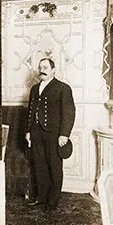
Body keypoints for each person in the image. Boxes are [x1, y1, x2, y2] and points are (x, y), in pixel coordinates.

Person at [24, 58, 76, 211]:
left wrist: (64, 134)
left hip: (54, 134)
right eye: (40, 67)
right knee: (40, 166)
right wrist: (28, 131)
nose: (42, 70)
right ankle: (41, 197)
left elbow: (69, 113)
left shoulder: (63, 88)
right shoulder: (34, 89)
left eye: (46, 67)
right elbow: (31, 111)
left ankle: (52, 201)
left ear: (53, 70)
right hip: (36, 133)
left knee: (54, 167)